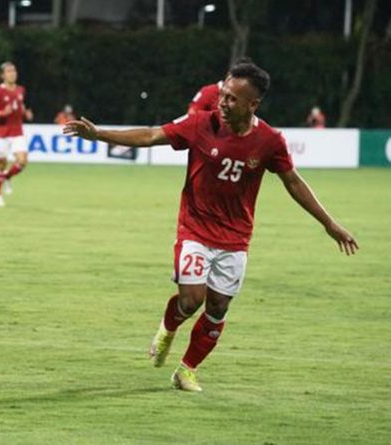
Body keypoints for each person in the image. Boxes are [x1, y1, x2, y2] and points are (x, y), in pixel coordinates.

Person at [63, 62, 358, 392]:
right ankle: (168, 326)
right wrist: (99, 134)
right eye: (223, 95)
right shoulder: (201, 124)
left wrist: (329, 224)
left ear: (253, 105)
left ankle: (186, 369)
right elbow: (151, 134)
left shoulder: (270, 141)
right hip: (195, 230)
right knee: (191, 300)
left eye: (232, 98)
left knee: (217, 308)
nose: (223, 102)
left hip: (235, 240)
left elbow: (293, 182)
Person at [0, 61, 33, 207]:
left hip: (17, 132)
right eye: (9, 71)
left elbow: (20, 105)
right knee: (2, 163)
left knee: (22, 161)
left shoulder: (20, 90)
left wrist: (25, 113)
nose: (12, 73)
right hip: (2, 133)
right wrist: (1, 113)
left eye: (14, 70)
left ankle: (5, 177)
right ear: (2, 75)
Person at [188, 56, 253, 115]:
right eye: (238, 77)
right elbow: (192, 113)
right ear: (229, 74)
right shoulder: (209, 91)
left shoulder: (245, 100)